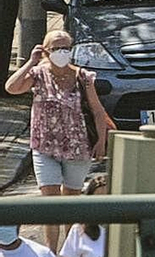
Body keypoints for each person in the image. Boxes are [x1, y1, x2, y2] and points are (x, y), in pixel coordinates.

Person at [6, 28, 110, 241]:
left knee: (70, 202)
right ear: (46, 51)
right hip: (44, 147)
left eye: (66, 48)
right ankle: (52, 254)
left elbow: (98, 111)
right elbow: (11, 88)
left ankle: (70, 254)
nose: (61, 52)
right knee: (51, 204)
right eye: (56, 48)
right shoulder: (37, 75)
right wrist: (30, 62)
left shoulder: (83, 77)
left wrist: (101, 140)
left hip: (78, 147)